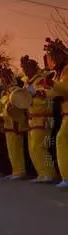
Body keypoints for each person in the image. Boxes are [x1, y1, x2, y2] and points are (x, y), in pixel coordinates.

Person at [0, 67, 27, 180]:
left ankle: (20, 171)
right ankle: (16, 170)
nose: (1, 82)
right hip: (7, 123)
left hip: (15, 122)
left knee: (16, 148)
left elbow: (16, 108)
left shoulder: (16, 91)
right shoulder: (4, 93)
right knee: (11, 149)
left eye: (3, 79)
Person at [21, 55, 56, 183]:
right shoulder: (26, 83)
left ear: (34, 68)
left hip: (44, 118)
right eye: (24, 68)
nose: (25, 70)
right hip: (32, 119)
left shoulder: (42, 80)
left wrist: (34, 93)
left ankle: (49, 173)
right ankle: (41, 173)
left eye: (28, 67)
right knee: (33, 148)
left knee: (41, 146)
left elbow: (48, 97)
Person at [42, 40, 68, 188]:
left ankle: (65, 176)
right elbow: (56, 93)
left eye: (54, 55)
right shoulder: (60, 72)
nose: (52, 59)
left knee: (60, 139)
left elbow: (65, 88)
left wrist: (52, 85)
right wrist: (43, 92)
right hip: (64, 114)